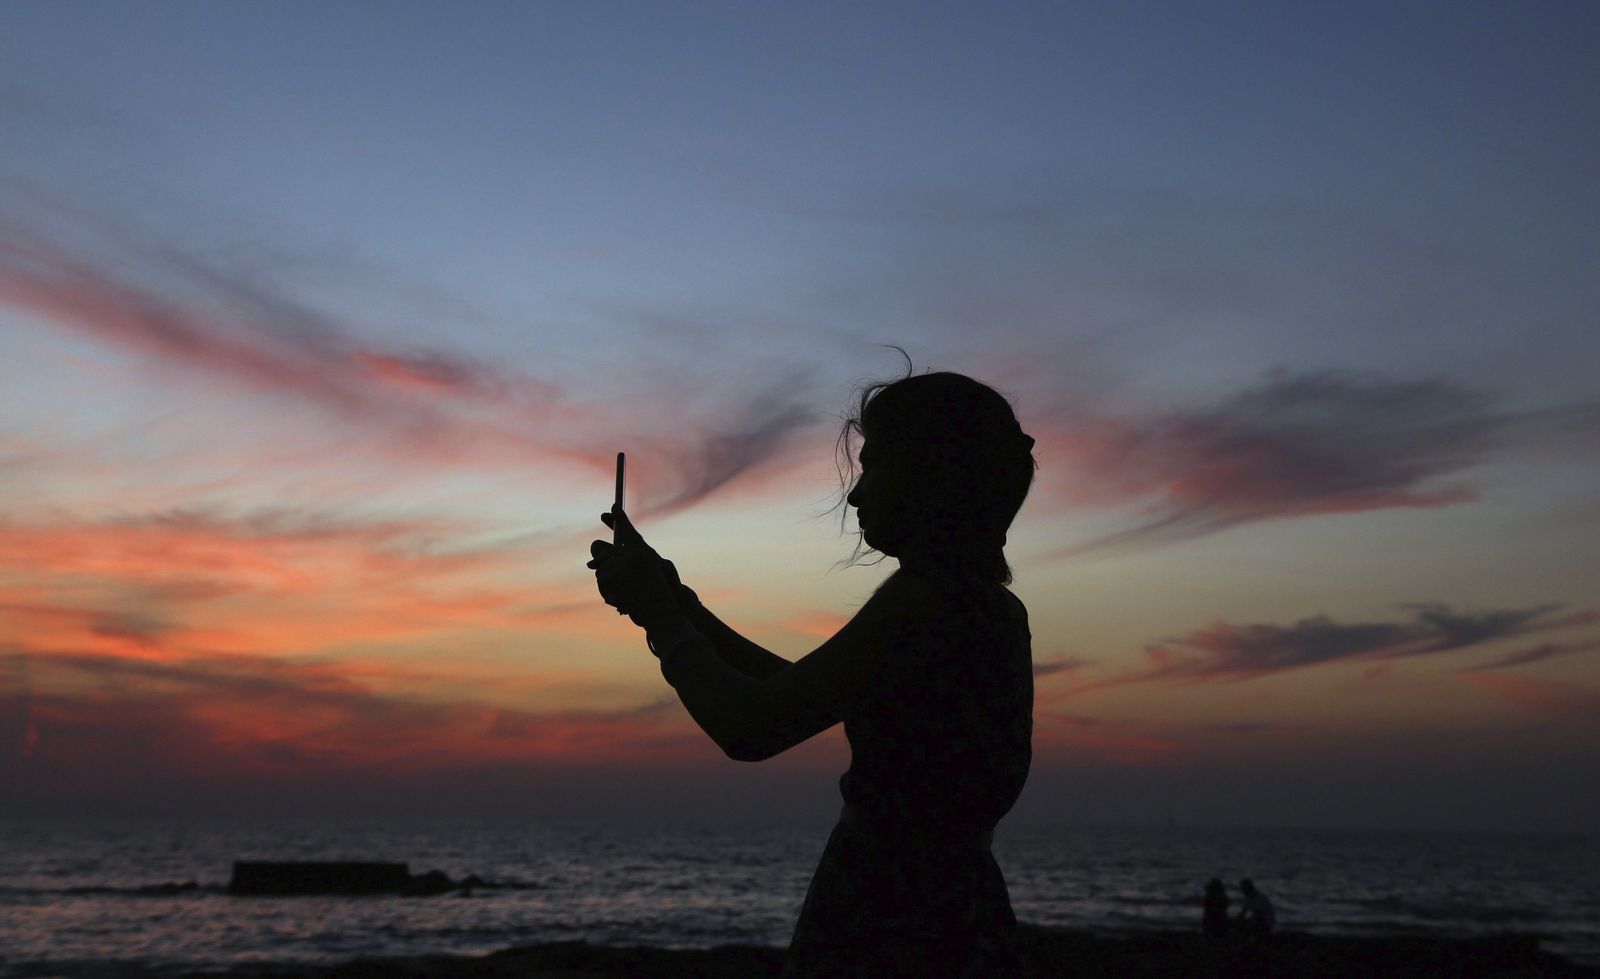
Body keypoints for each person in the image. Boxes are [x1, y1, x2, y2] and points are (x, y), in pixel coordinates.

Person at [588, 369, 1037, 977]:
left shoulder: (923, 603)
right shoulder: (982, 604)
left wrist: (661, 619)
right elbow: (807, 692)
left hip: (892, 920)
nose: (856, 495)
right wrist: (682, 606)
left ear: (933, 476)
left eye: (873, 467)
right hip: (953, 910)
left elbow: (751, 727)